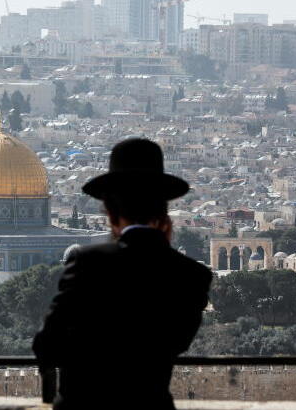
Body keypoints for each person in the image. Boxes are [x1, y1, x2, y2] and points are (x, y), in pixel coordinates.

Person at [33, 138, 211, 410]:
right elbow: (175, 344)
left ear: (111, 213)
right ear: (163, 212)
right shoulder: (191, 275)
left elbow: (47, 345)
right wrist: (162, 248)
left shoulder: (87, 264)